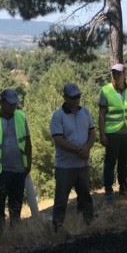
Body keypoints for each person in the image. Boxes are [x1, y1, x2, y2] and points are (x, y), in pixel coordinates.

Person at [0, 89, 32, 234]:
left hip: (19, 169)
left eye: (15, 104)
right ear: (2, 102)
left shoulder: (21, 117)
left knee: (16, 204)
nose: (13, 107)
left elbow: (27, 141)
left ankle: (15, 232)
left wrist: (28, 164)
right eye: (10, 104)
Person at [51, 83, 96, 231]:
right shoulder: (58, 116)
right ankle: (58, 227)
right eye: (73, 97)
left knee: (85, 198)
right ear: (65, 97)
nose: (76, 100)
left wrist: (87, 148)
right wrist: (78, 150)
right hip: (65, 166)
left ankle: (88, 225)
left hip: (82, 164)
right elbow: (58, 139)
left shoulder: (85, 112)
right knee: (61, 200)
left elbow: (92, 133)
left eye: (78, 97)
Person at [98, 63, 127, 199]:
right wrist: (102, 134)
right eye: (114, 73)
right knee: (110, 162)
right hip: (112, 133)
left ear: (124, 74)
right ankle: (108, 189)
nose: (116, 76)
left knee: (124, 161)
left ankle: (123, 186)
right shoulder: (105, 90)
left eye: (118, 73)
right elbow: (101, 114)